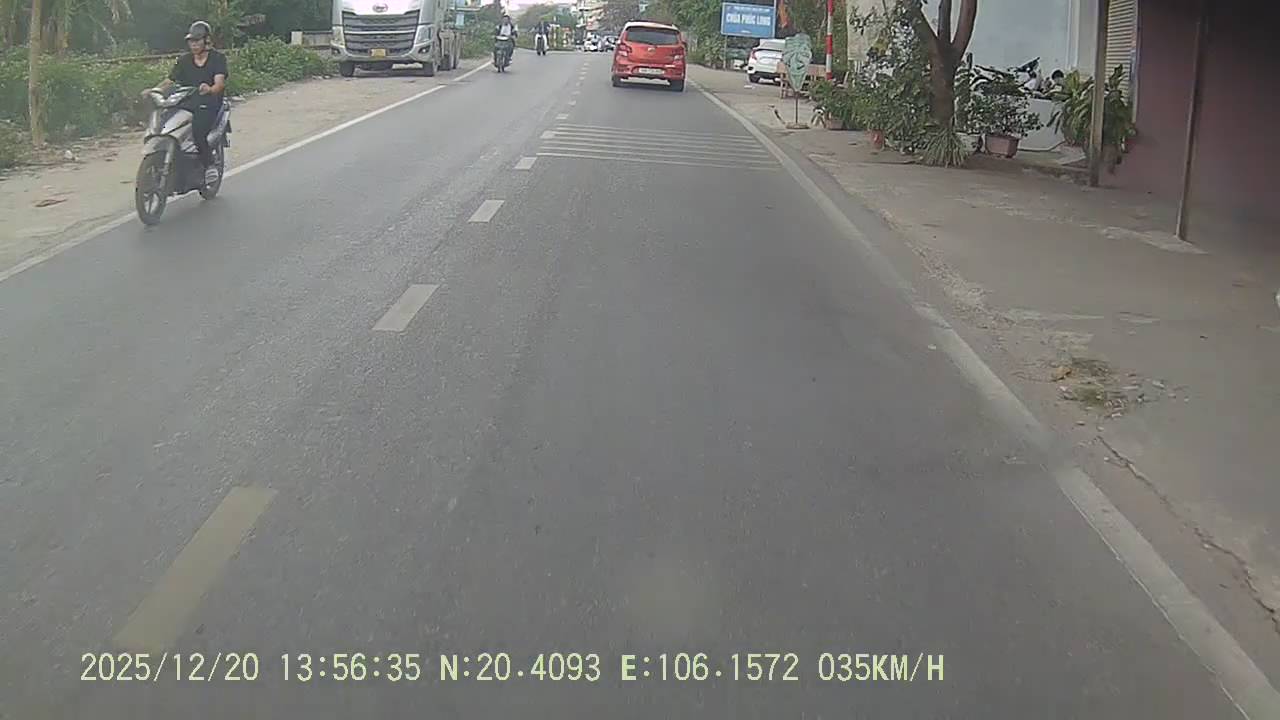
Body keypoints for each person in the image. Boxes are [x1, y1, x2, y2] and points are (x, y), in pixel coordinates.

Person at [153, 21, 228, 185]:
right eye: (191, 41)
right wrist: (155, 90)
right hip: (187, 100)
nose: (193, 45)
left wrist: (209, 89)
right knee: (167, 122)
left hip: (209, 102)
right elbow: (170, 81)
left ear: (206, 41)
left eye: (197, 41)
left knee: (198, 132)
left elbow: (219, 84)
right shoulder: (184, 60)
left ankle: (209, 165)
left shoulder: (217, 59)